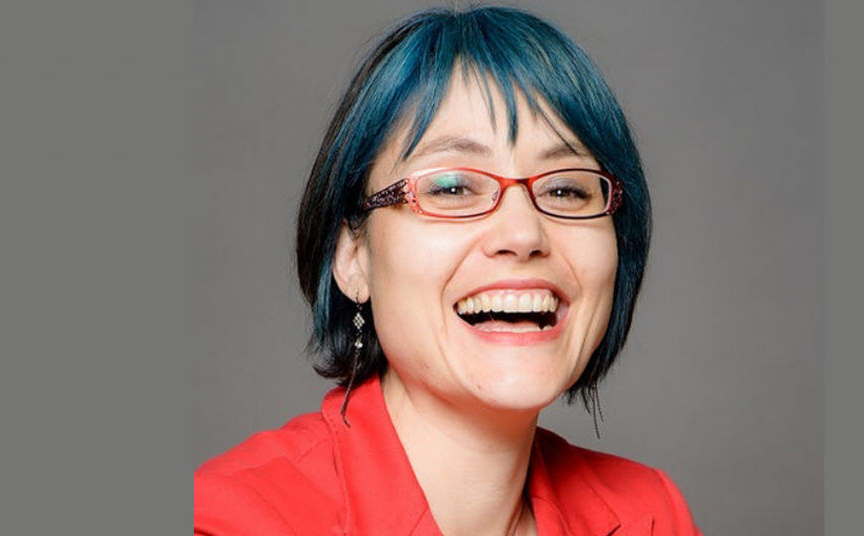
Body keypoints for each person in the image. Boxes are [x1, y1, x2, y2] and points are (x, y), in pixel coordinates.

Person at [195, 6, 702, 535]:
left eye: (565, 189)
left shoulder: (649, 515)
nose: (524, 235)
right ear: (353, 256)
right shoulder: (231, 520)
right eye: (454, 188)